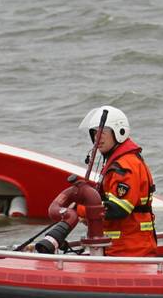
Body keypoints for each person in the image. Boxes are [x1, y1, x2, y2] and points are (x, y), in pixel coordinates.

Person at [42, 105, 156, 256]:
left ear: (119, 132)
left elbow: (118, 208)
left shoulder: (125, 165)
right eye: (95, 133)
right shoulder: (117, 162)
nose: (97, 138)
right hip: (117, 248)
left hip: (129, 250)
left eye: (103, 132)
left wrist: (82, 209)